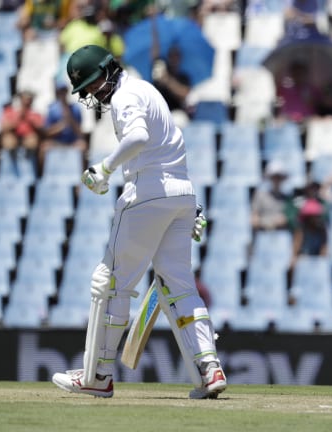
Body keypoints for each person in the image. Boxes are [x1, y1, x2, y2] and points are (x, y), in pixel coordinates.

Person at [51, 45, 227, 399]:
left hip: (147, 194)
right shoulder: (147, 89)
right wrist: (189, 208)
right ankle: (210, 369)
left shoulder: (124, 96)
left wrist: (104, 168)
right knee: (180, 286)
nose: (88, 94)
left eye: (90, 84)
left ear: (108, 70)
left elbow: (139, 137)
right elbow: (167, 147)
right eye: (83, 89)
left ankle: (97, 374)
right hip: (181, 195)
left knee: (110, 282)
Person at [40, 81, 87, 169]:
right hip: (57, 142)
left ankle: (83, 174)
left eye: (64, 91)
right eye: (60, 91)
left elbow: (80, 133)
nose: (62, 94)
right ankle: (41, 175)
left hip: (72, 141)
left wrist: (70, 119)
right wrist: (61, 127)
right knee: (44, 147)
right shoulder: (52, 109)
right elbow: (47, 133)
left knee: (83, 146)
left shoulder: (75, 108)